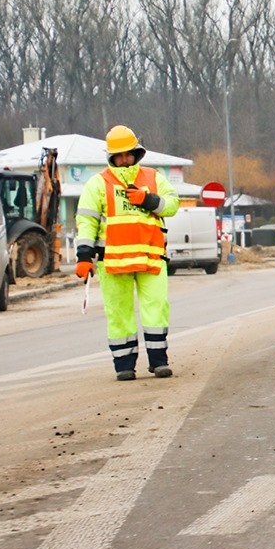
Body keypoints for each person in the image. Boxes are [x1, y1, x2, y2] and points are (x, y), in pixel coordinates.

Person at [75, 125, 180, 382]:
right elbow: (86, 221)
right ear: (111, 156)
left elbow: (173, 204)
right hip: (113, 260)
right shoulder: (98, 183)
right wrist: (83, 256)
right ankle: (124, 365)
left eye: (128, 154)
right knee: (118, 313)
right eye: (119, 155)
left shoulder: (153, 177)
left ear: (136, 153)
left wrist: (149, 200)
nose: (124, 159)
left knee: (156, 309)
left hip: (151, 257)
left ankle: (159, 362)